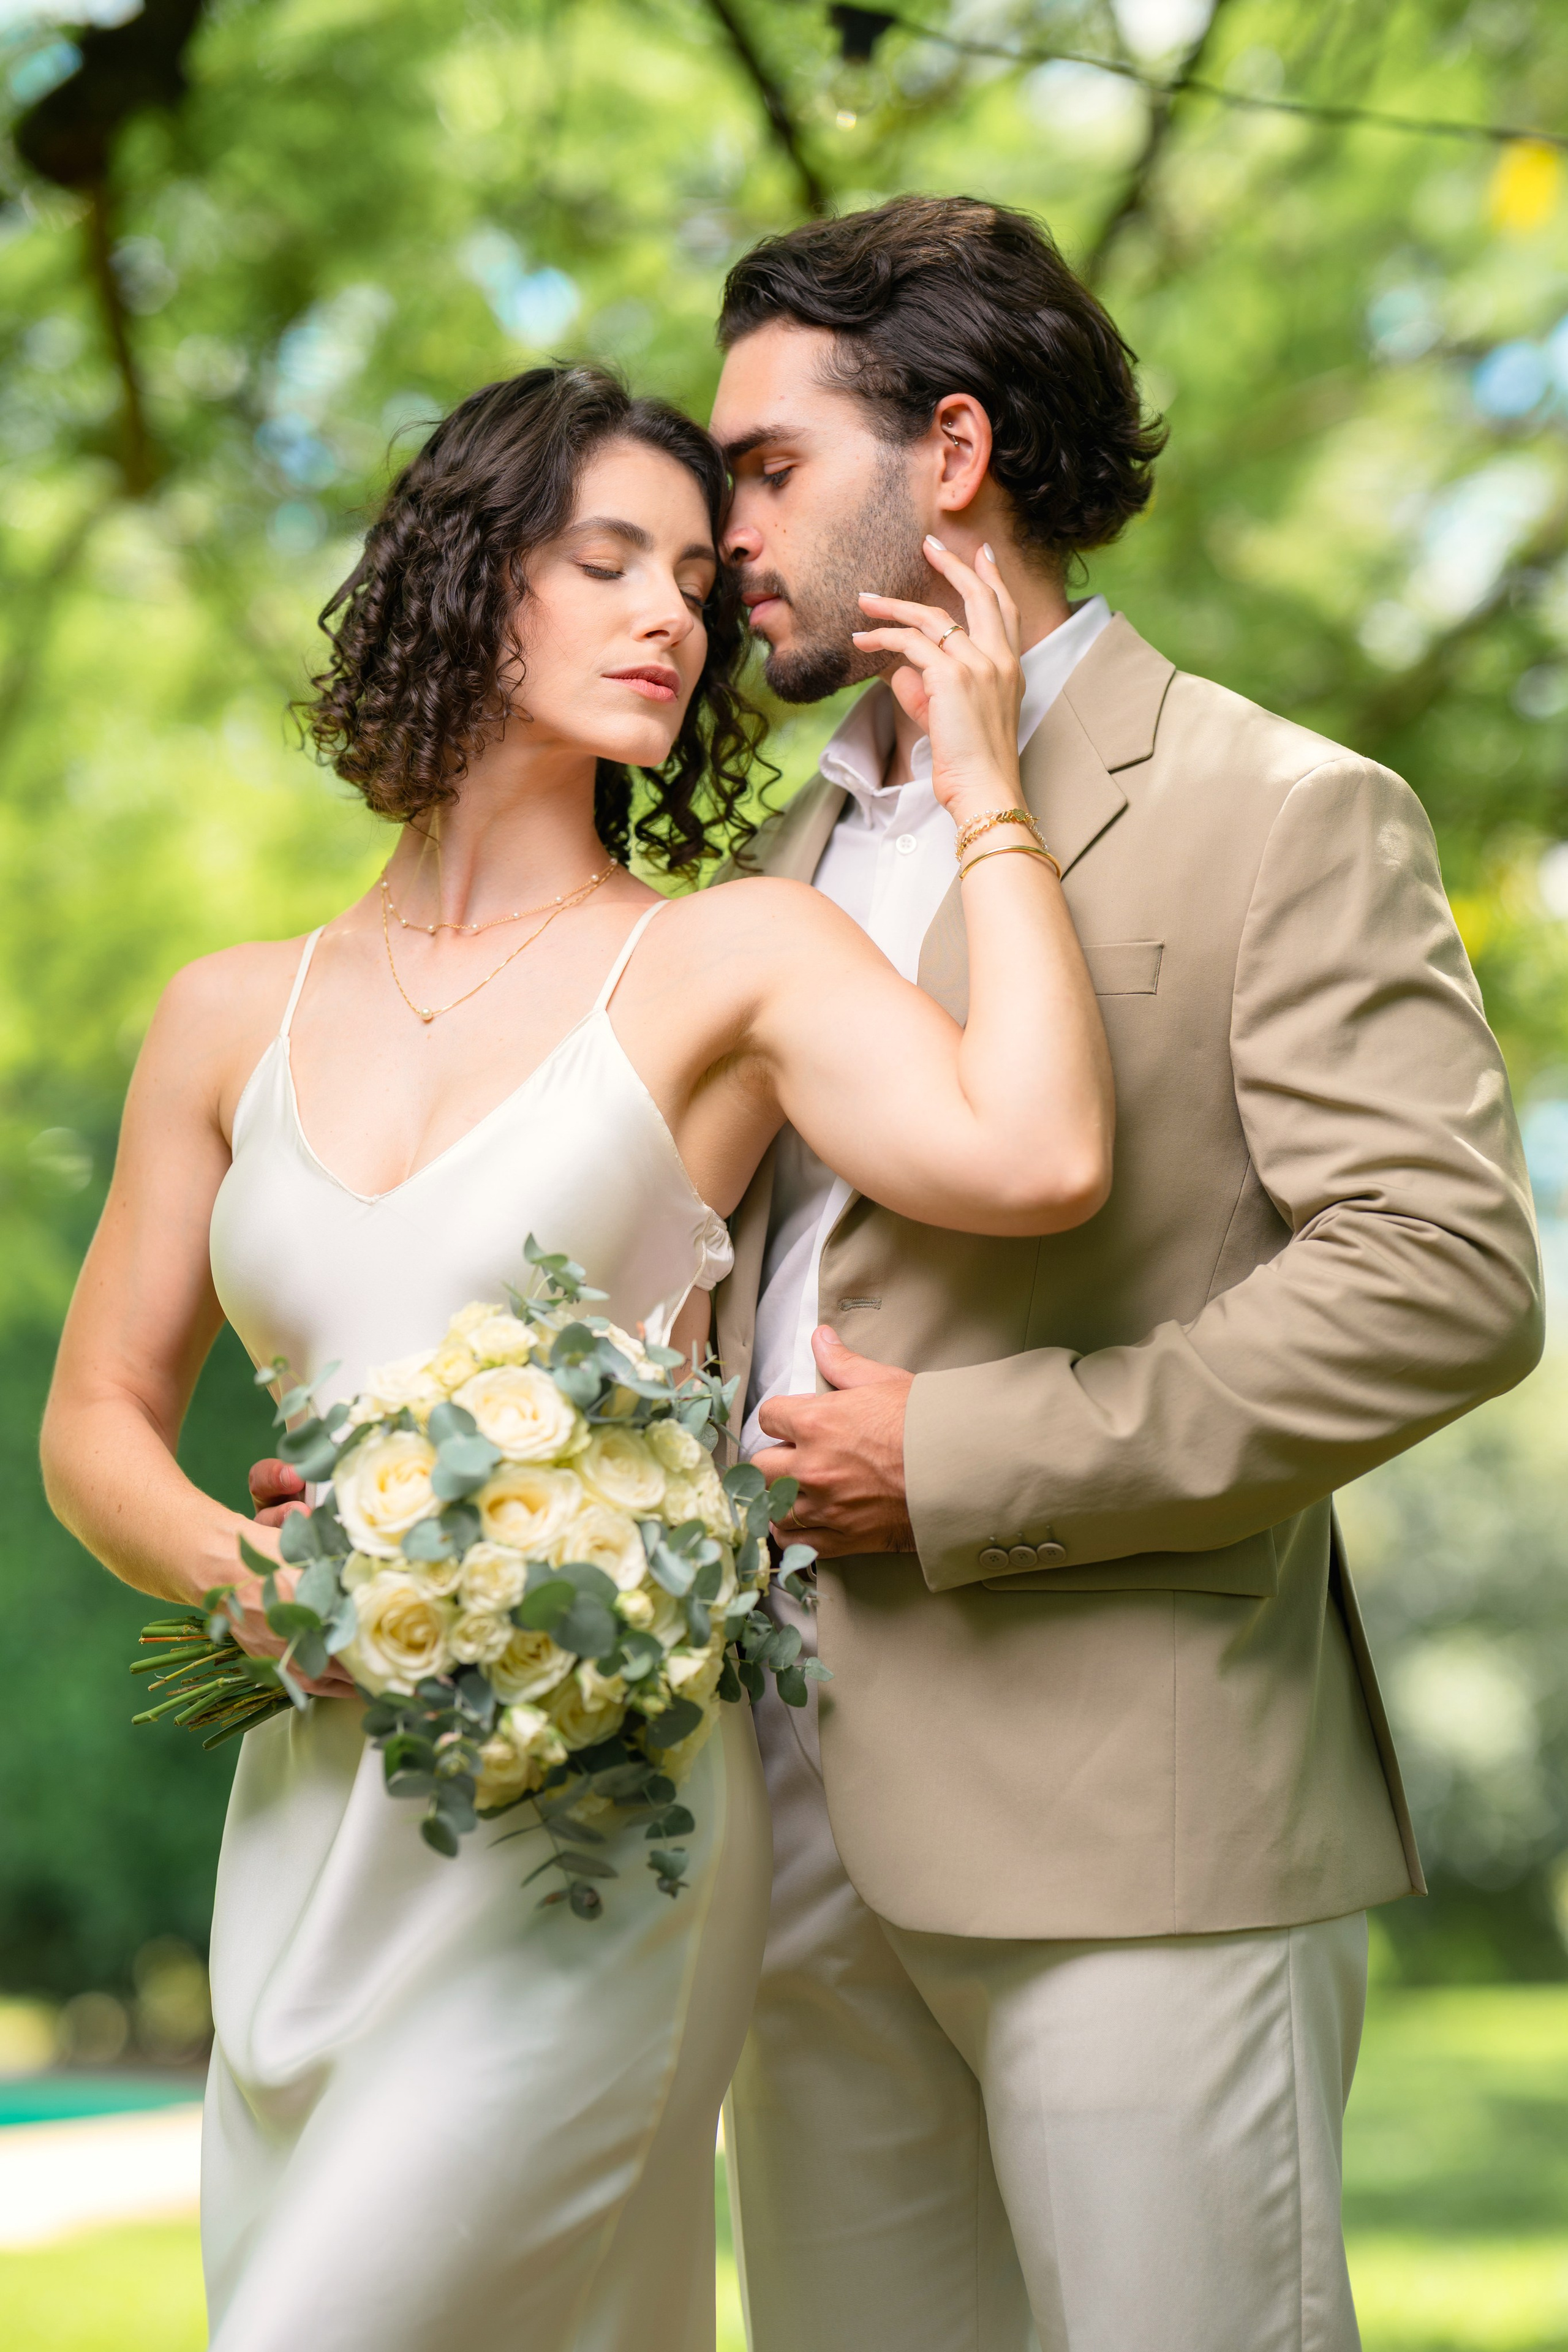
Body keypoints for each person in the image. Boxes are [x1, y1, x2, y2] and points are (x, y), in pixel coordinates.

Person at [39, 361, 1112, 2351]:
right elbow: (94, 1422)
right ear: (467, 582)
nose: (672, 618)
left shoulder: (730, 959)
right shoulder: (221, 1016)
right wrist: (248, 1575)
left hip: (595, 1836)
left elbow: (1040, 1154)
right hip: (319, 1824)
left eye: (698, 579)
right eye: (607, 559)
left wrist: (988, 796)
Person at [698, 197, 1542, 2352]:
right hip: (779, 1823)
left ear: (952, 454)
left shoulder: (1282, 808)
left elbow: (1440, 1277)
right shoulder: (762, 867)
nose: (723, 536)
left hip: (1136, 1821)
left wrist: (967, 1455)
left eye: (768, 468)